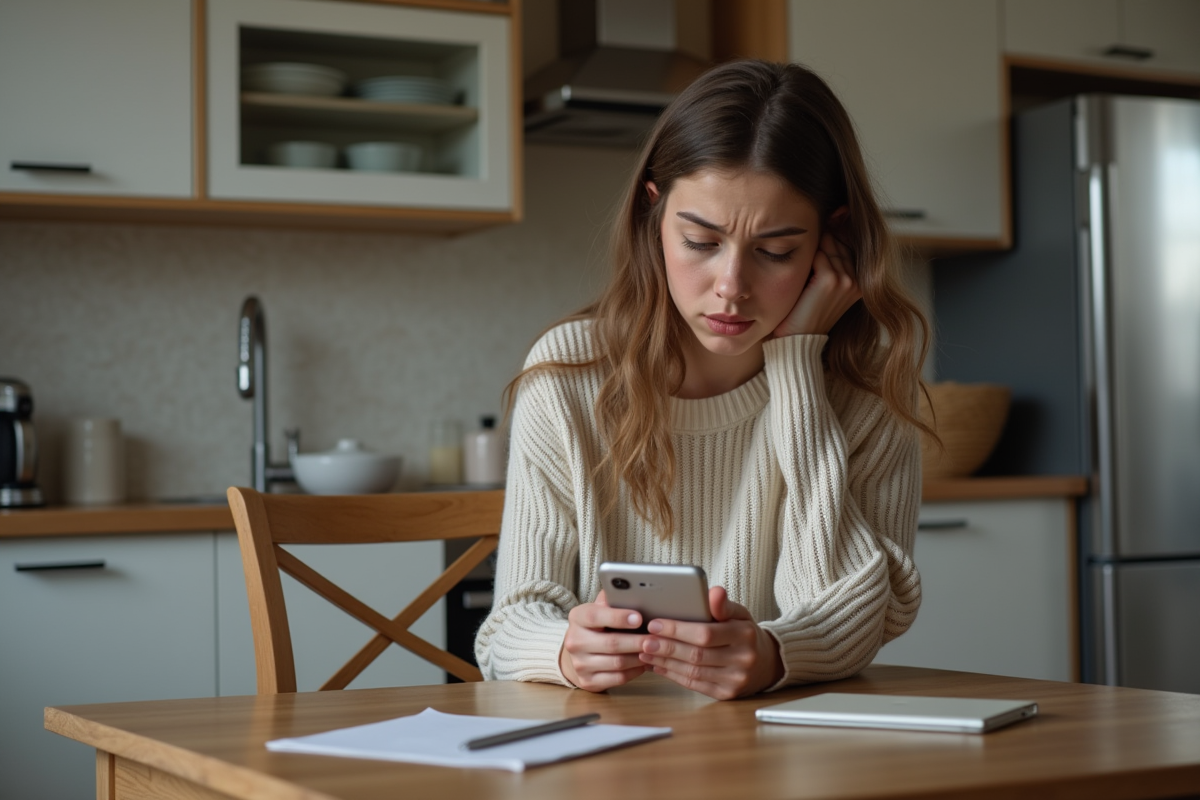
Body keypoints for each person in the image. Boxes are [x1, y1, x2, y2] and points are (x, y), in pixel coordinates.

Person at [474, 59, 929, 701]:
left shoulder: (867, 390)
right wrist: (566, 650)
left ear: (834, 241)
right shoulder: (571, 375)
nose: (731, 287)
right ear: (653, 215)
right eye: (700, 241)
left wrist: (798, 364)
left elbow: (856, 617)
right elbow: (507, 627)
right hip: (605, 758)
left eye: (776, 251)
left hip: (786, 755)